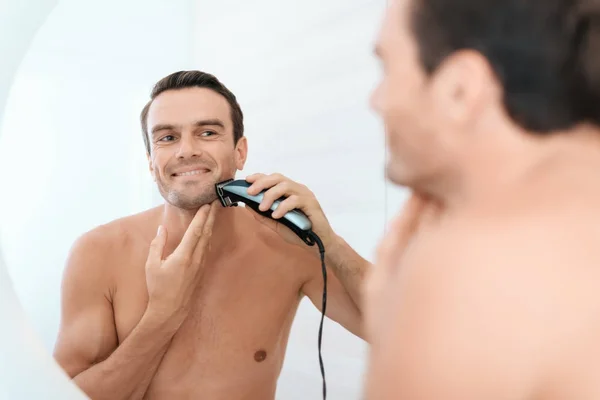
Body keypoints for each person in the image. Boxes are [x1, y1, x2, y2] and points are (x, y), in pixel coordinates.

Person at [52, 70, 370, 400]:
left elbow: (402, 333)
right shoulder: (99, 253)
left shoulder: (289, 247)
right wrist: (162, 316)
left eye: (207, 132)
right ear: (150, 162)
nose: (186, 150)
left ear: (240, 152)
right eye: (167, 137)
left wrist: (331, 243)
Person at [363, 0, 600, 399]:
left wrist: (393, 331)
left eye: (387, 69)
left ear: (460, 89)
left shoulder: (484, 256)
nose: (376, 100)